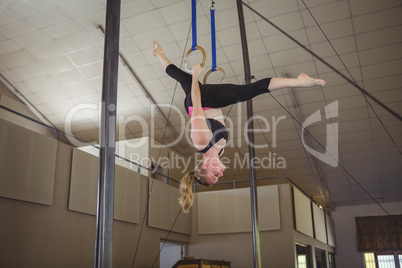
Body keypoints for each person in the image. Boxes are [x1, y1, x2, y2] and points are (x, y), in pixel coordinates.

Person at [153, 41, 325, 213]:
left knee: (248, 91)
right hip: (208, 102)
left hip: (201, 100)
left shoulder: (201, 141)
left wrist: (196, 76)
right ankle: (159, 53)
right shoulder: (219, 152)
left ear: (205, 166)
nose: (220, 174)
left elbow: (196, 102)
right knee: (180, 76)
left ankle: (300, 82)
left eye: (215, 175)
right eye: (218, 178)